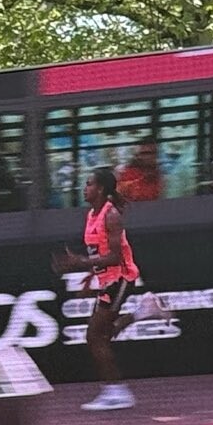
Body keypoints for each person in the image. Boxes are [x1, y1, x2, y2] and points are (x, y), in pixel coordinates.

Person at [52, 165, 149, 412]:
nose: (85, 188)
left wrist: (80, 263)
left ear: (101, 188)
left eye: (89, 184)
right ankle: (143, 312)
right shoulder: (91, 215)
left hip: (121, 278)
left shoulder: (111, 215)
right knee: (102, 335)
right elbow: (99, 252)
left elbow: (115, 257)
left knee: (95, 336)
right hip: (107, 280)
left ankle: (117, 392)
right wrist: (90, 276)